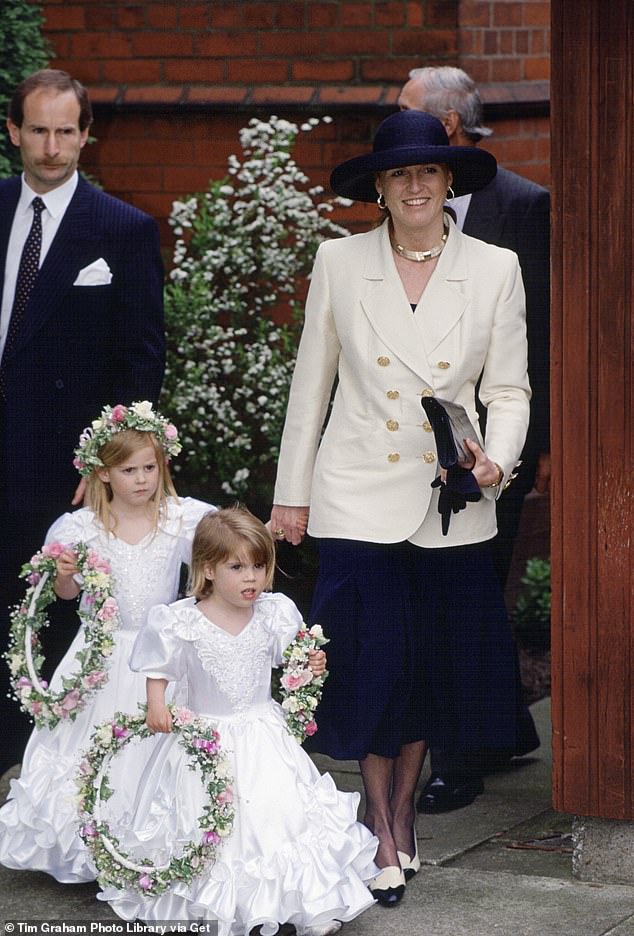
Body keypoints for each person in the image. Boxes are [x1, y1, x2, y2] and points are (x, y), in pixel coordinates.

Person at [270, 109, 530, 905]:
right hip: (355, 495)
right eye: (398, 175)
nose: (414, 186)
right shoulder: (340, 263)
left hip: (448, 497)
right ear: (378, 190)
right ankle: (382, 831)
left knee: (424, 676)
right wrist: (291, 496)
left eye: (427, 172)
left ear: (448, 181)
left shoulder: (495, 267)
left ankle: (403, 820)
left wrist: (498, 460)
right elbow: (310, 385)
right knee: (372, 669)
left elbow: (510, 389)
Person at [98, 506, 378, 936]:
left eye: (260, 566)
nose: (252, 578)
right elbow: (160, 668)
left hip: (262, 734)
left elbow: (295, 659)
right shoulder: (180, 621)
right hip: (203, 739)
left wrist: (312, 663)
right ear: (208, 569)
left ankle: (292, 901)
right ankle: (219, 906)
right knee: (208, 823)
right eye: (237, 567)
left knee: (276, 816)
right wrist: (157, 703)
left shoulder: (274, 613)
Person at [0, 69, 165, 776]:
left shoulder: (122, 230)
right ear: (13, 132)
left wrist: (105, 466)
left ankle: (46, 777)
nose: (52, 145)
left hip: (60, 471)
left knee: (55, 628)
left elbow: (141, 364)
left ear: (86, 135)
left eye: (66, 130)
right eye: (38, 129)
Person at [399, 65, 548, 811]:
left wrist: (534, 447)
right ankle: (504, 730)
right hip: (404, 450)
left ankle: (457, 760)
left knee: (464, 591)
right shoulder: (400, 203)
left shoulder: (524, 208)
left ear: (448, 128)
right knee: (460, 594)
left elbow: (544, 336)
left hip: (493, 448)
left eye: (406, 113)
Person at [0, 402, 216, 882]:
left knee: (159, 751)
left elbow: (221, 554)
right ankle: (88, 851)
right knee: (88, 750)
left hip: (159, 658)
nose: (141, 479)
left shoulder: (180, 518)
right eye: (128, 470)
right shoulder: (79, 529)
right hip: (99, 656)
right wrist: (64, 577)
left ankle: (148, 843)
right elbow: (64, 595)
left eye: (150, 468)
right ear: (101, 474)